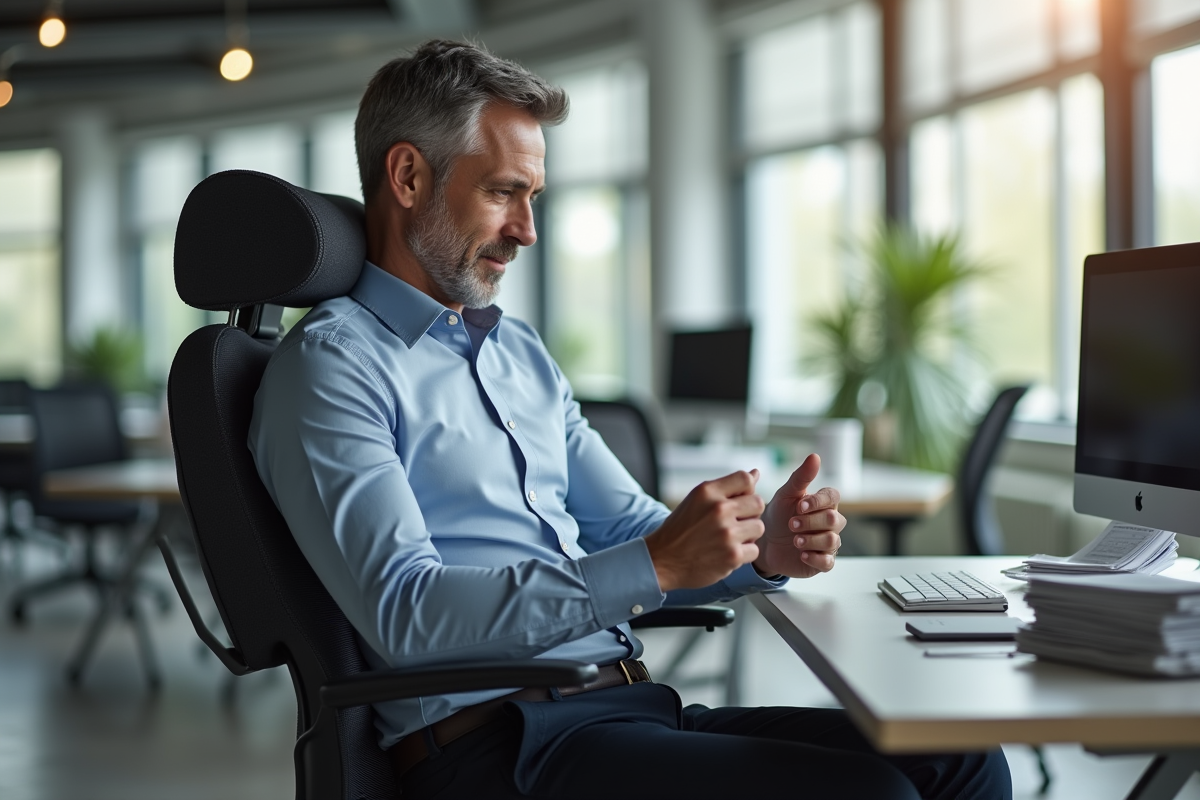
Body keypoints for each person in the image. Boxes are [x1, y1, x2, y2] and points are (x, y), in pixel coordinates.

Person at [249, 39, 1011, 800]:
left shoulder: (518, 353)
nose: (527, 230)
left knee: (964, 759)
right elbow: (407, 612)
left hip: (625, 708)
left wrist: (759, 550)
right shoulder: (331, 368)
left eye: (533, 197)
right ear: (409, 176)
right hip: (496, 748)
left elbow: (629, 529)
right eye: (503, 192)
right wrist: (656, 563)